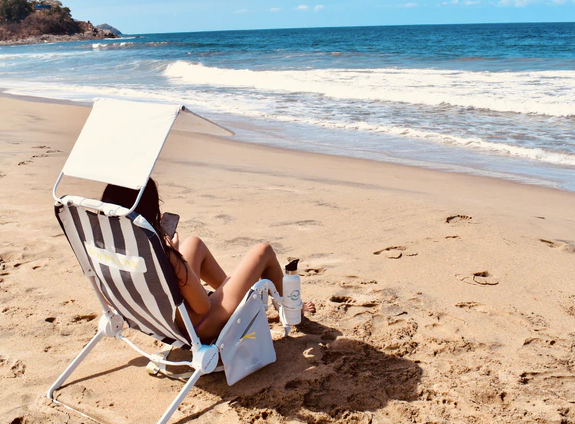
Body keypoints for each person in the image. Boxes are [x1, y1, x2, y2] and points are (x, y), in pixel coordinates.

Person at [101, 178, 314, 343]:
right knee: (263, 250)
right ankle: (291, 309)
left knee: (193, 243)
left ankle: (242, 300)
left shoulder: (104, 247)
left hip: (154, 318)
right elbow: (202, 306)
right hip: (198, 326)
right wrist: (175, 258)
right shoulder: (164, 256)